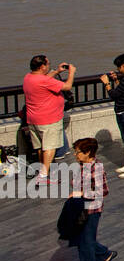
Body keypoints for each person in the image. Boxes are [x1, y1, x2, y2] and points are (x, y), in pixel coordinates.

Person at [70, 137, 116, 261]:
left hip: (92, 210)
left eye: (78, 153)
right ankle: (105, 255)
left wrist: (80, 193)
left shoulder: (96, 168)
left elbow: (102, 191)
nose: (76, 155)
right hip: (81, 208)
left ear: (88, 152)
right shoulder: (82, 166)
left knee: (85, 243)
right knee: (84, 239)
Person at [22, 55, 75, 187]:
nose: (49, 66)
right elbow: (67, 86)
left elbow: (45, 79)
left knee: (41, 147)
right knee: (50, 147)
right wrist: (72, 72)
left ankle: (43, 171)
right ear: (42, 67)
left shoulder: (29, 77)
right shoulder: (43, 80)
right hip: (48, 120)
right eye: (48, 64)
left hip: (33, 119)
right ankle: (43, 176)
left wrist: (57, 71)